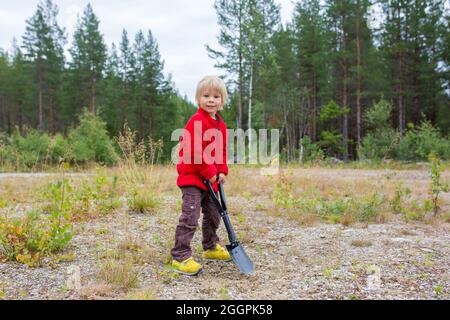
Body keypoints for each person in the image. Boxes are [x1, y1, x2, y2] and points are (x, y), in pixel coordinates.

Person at [171, 75, 231, 275]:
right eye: (206, 96)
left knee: (215, 214)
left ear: (222, 100)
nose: (211, 100)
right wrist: (210, 172)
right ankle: (180, 256)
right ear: (198, 99)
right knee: (191, 215)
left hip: (211, 178)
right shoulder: (196, 121)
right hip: (193, 178)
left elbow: (221, 150)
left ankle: (210, 246)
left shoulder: (220, 125)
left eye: (216, 96)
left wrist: (221, 170)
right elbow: (194, 152)